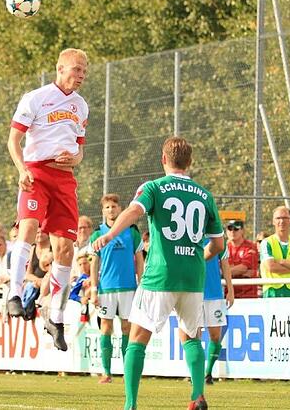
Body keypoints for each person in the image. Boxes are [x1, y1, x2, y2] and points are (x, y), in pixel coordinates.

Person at [93, 137, 225, 410]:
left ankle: (130, 404)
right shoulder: (205, 195)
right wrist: (198, 258)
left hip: (160, 276)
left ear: (163, 159)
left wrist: (109, 235)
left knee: (137, 340)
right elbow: (219, 245)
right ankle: (197, 396)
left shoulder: (154, 187)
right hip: (193, 277)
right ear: (190, 162)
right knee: (191, 337)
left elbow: (133, 211)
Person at [6, 48, 90, 354]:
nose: (80, 76)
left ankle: (55, 317)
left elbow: (80, 150)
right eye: (76, 69)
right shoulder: (36, 98)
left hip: (64, 179)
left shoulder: (81, 106)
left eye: (84, 71)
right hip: (36, 174)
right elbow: (13, 140)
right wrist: (22, 170)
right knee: (28, 228)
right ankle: (14, 294)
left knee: (66, 249)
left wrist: (75, 157)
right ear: (60, 67)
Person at [89, 194, 144, 384]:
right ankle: (106, 372)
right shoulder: (97, 234)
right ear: (103, 211)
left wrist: (141, 283)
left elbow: (139, 260)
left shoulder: (132, 232)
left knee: (128, 327)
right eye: (107, 207)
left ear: (120, 209)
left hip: (129, 288)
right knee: (106, 327)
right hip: (106, 289)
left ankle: (127, 371)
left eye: (114, 206)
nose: (111, 210)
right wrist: (94, 289)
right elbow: (94, 264)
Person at [203, 242, 234, 385]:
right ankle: (195, 373)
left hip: (214, 294)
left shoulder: (218, 239)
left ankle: (207, 372)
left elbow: (225, 264)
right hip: (193, 293)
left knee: (215, 336)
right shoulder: (189, 234)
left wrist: (230, 290)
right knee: (192, 336)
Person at [258, 206, 290, 298]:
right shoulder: (266, 243)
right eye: (278, 218)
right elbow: (271, 267)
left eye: (285, 218)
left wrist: (281, 262)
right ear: (273, 221)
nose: (281, 221)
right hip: (272, 292)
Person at [225, 219, 259, 298]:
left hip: (248, 295)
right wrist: (238, 271)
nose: (232, 231)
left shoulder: (251, 246)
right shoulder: (224, 248)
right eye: (230, 229)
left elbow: (243, 268)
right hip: (229, 295)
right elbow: (220, 268)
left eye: (236, 229)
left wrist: (226, 272)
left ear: (242, 231)